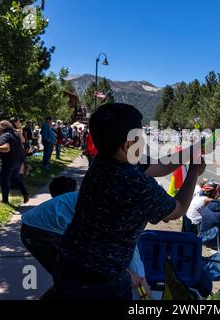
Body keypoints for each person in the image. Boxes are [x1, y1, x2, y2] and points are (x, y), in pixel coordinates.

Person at [50, 103, 206, 300]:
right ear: (127, 145)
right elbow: (177, 210)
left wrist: (191, 151)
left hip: (68, 263)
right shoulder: (136, 184)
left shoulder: (105, 160)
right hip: (101, 283)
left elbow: (159, 165)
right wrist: (194, 172)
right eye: (141, 137)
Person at [21, 177, 153, 300]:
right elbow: (98, 254)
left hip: (46, 229)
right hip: (40, 232)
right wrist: (128, 274)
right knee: (78, 280)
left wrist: (139, 282)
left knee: (75, 280)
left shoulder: (118, 207)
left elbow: (132, 259)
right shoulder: (110, 213)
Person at [0, 121, 29, 204]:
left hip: (8, 162)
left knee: (4, 181)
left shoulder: (4, 136)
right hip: (18, 161)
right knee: (15, 178)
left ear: (3, 127)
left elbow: (6, 148)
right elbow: (23, 140)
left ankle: (5, 200)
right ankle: (25, 194)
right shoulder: (16, 134)